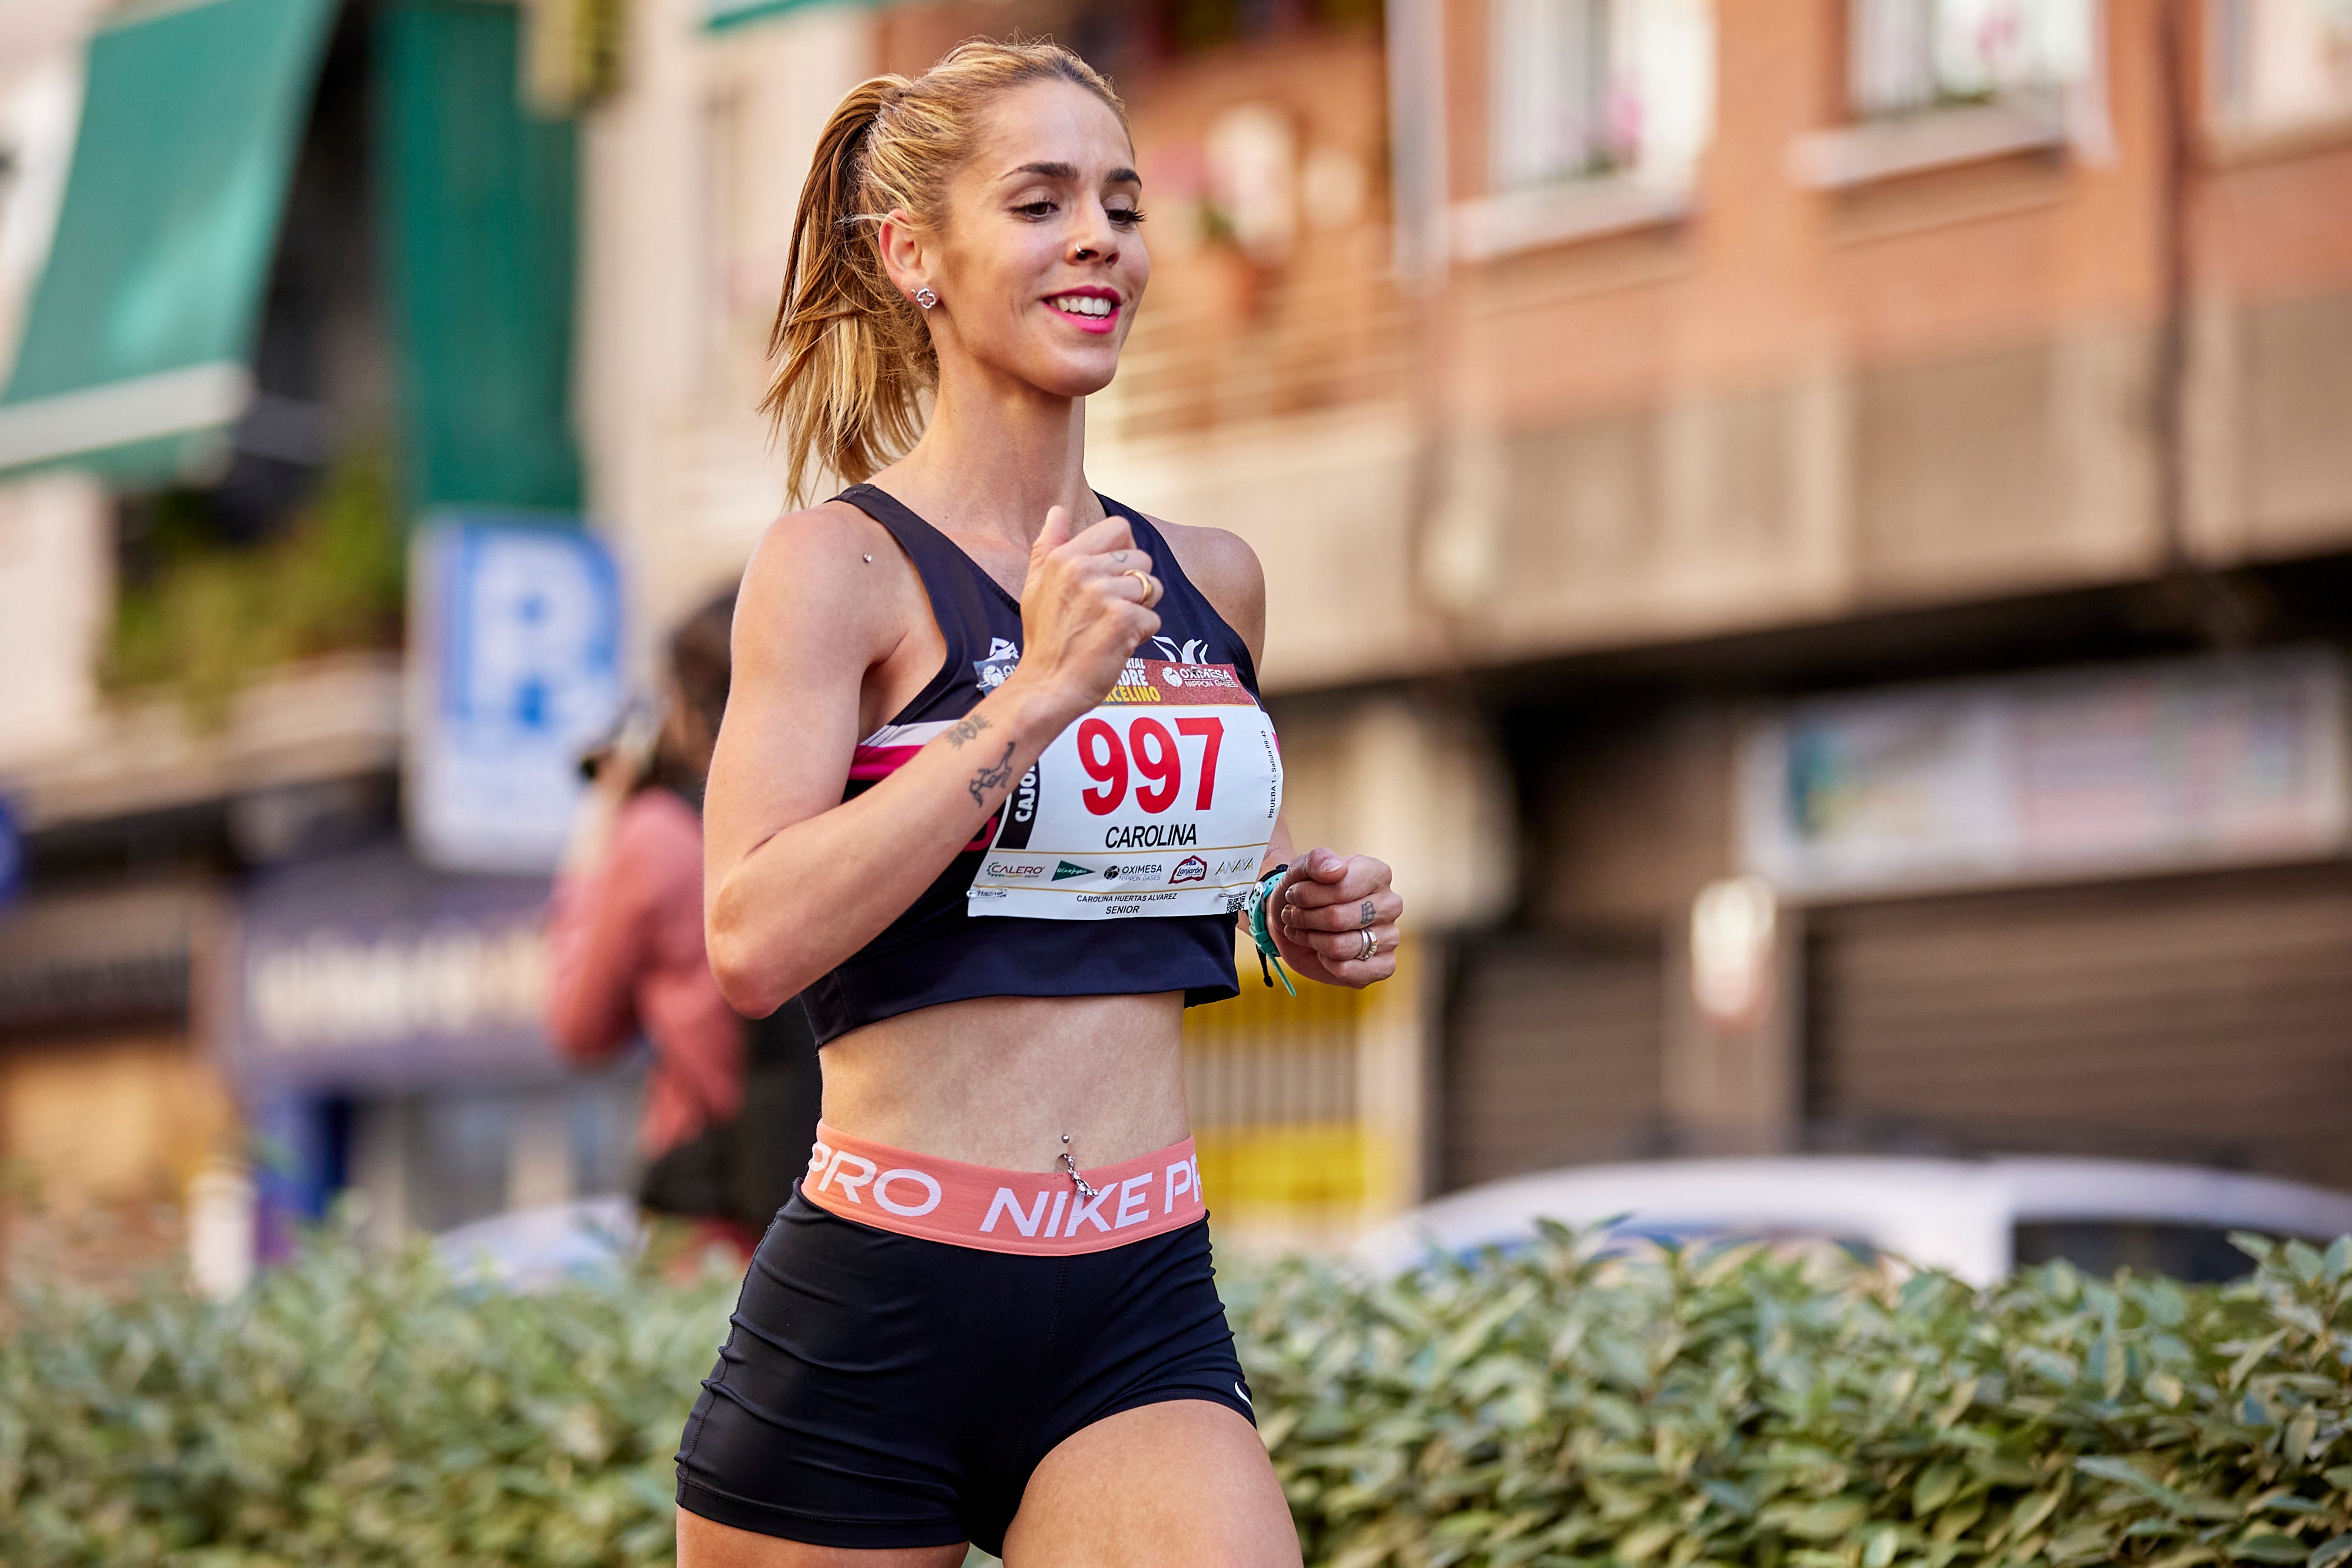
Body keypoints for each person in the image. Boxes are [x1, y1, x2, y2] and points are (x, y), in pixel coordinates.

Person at [679, 39, 1402, 1567]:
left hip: (1136, 1296)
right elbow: (748, 938)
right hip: (878, 1303)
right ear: (914, 256)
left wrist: (1283, 915)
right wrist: (1025, 703)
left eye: (1126, 205)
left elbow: (1112, 901)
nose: (1100, 237)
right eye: (1043, 200)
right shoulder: (837, 571)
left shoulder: (1210, 581)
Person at [544, 591, 821, 1259]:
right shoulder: (833, 807)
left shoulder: (658, 835)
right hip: (838, 1198)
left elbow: (579, 1026)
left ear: (691, 711)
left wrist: (596, 833)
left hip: (708, 1209)